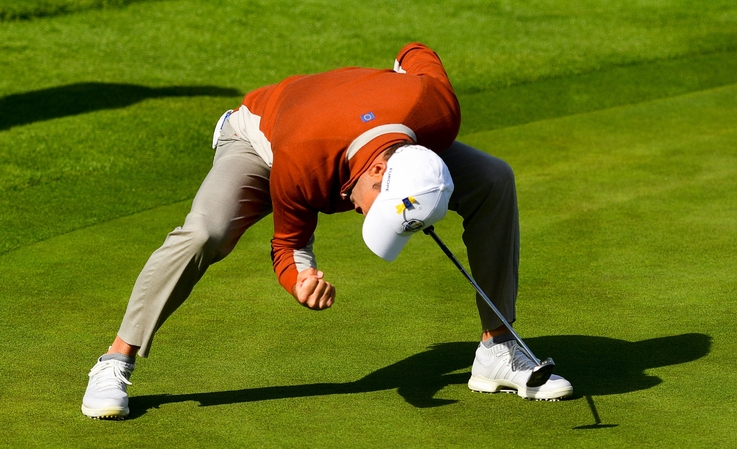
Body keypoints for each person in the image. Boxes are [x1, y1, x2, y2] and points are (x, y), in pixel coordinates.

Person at [81, 43, 573, 419]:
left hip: (368, 125)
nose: (365, 217)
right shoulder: (304, 162)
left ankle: (497, 347)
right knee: (206, 233)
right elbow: (288, 245)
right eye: (374, 211)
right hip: (262, 135)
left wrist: (385, 87)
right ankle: (114, 362)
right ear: (378, 173)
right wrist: (301, 280)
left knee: (493, 178)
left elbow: (415, 53)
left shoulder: (437, 111)